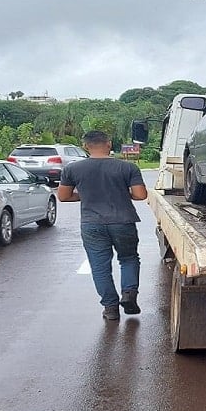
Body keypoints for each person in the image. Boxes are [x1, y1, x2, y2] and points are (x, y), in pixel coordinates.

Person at [57, 130, 148, 321]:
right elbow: (140, 195)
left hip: (92, 224)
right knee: (129, 258)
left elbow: (63, 197)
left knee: (99, 267)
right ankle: (129, 294)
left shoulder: (72, 169)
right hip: (123, 222)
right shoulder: (127, 167)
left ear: (85, 146)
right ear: (109, 144)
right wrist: (121, 193)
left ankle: (111, 308)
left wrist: (86, 195)